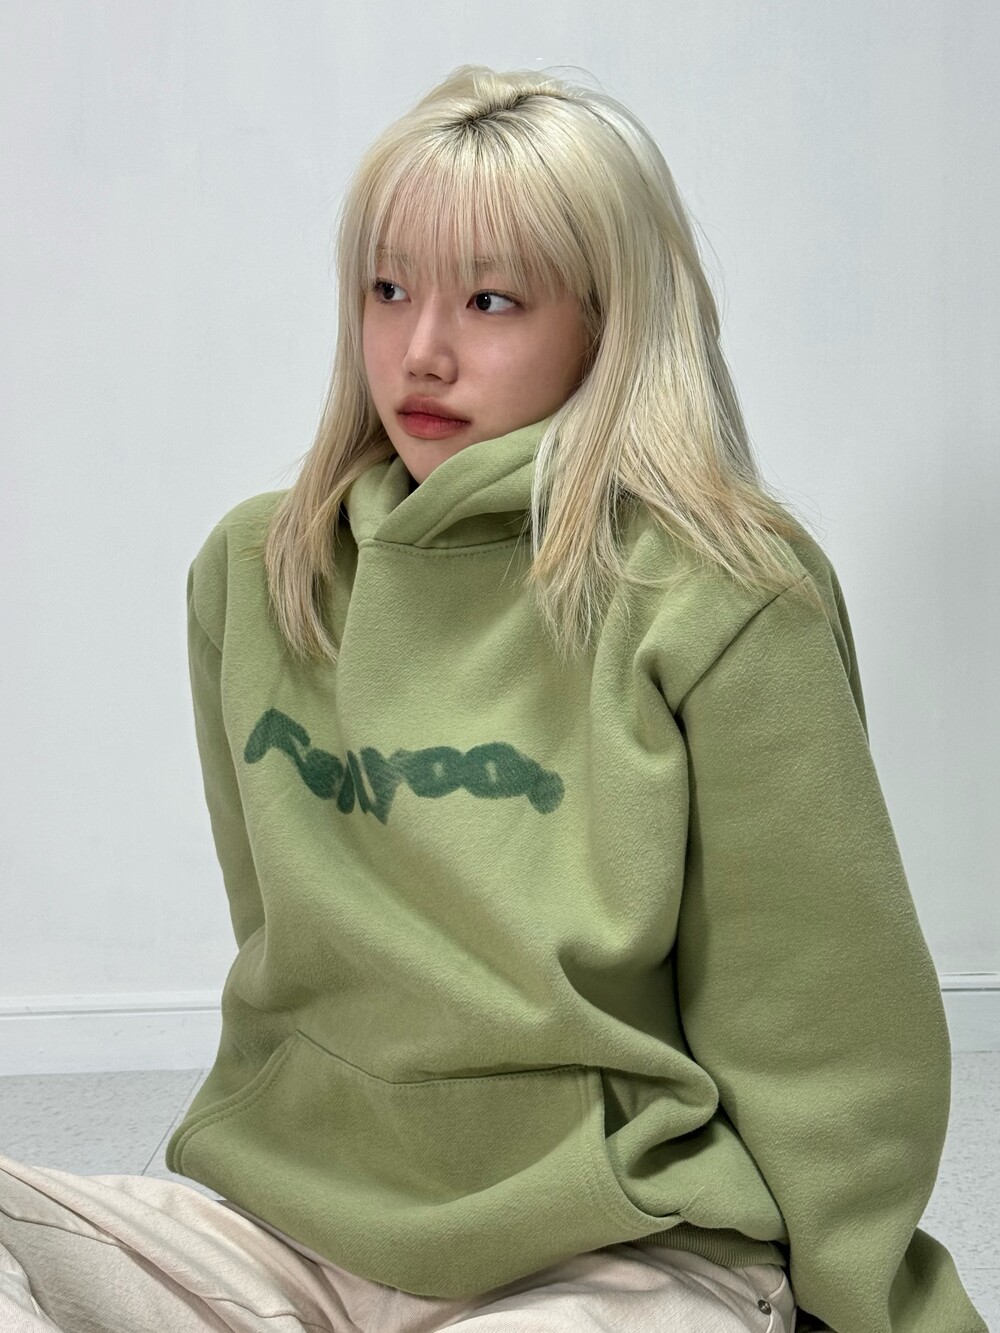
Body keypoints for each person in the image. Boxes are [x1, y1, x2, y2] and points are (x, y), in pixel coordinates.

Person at [0, 63, 987, 1333]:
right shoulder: (260, 571)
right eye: (388, 289)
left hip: (619, 1251)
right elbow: (293, 946)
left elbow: (822, 1015)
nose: (421, 349)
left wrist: (864, 1300)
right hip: (296, 1233)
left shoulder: (719, 592)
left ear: (605, 322)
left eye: (490, 299)